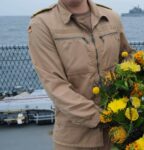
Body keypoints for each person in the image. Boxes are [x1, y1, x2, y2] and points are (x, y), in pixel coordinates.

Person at [28, 0, 131, 149]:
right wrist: (102, 117)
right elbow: (55, 86)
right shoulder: (42, 24)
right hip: (75, 140)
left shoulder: (111, 17)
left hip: (120, 134)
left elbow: (126, 58)